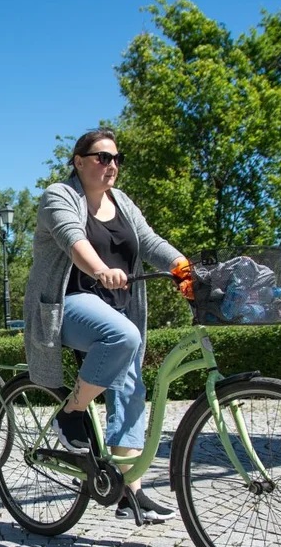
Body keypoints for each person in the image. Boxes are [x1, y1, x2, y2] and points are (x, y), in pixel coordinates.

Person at [25, 129, 190, 524]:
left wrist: (183, 267)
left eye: (117, 158)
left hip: (117, 306)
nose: (111, 164)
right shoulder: (59, 196)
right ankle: (73, 410)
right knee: (125, 336)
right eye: (102, 157)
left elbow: (148, 242)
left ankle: (128, 493)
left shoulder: (121, 202)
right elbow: (72, 240)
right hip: (66, 305)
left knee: (132, 392)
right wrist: (101, 270)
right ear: (78, 161)